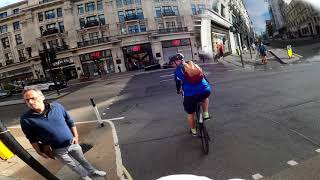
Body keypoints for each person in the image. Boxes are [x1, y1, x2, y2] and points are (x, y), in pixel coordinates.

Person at [20, 87, 106, 180]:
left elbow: (70, 121)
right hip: (56, 149)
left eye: (33, 98)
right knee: (73, 165)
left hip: (72, 143)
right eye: (27, 100)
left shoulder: (57, 107)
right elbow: (32, 138)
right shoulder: (26, 119)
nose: (31, 102)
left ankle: (92, 171)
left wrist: (76, 136)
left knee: (82, 160)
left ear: (42, 97)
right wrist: (39, 152)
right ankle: (85, 177)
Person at [169, 53, 212, 136]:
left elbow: (178, 84)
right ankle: (206, 114)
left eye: (172, 63)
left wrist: (178, 91)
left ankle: (193, 130)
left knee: (190, 113)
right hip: (205, 90)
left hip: (190, 95)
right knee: (205, 97)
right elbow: (202, 74)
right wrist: (207, 84)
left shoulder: (177, 71)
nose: (172, 65)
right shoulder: (193, 64)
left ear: (177, 62)